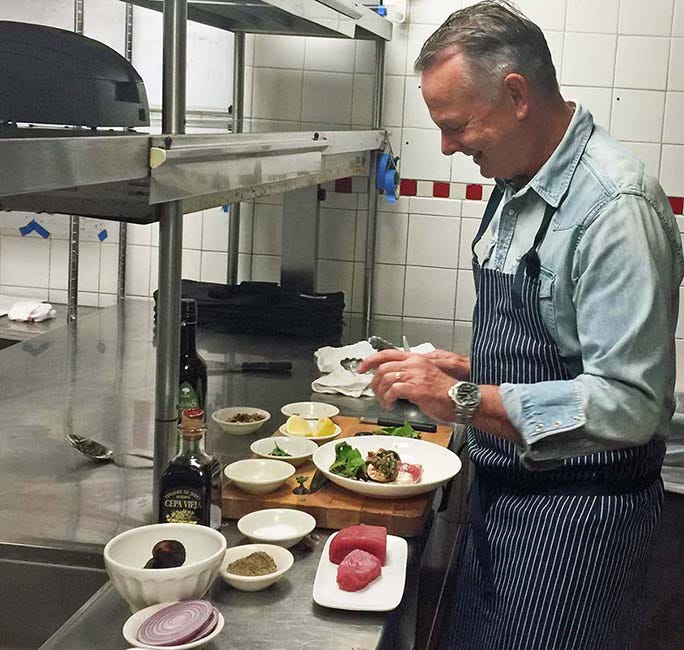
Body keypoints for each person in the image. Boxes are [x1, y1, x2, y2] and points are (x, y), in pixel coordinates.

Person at [357, 2, 684, 649]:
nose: (448, 147)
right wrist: (467, 369)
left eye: (455, 127)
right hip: (505, 500)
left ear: (515, 95)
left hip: (580, 520)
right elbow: (560, 351)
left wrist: (461, 398)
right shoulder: (517, 180)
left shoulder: (614, 208)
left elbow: (631, 403)